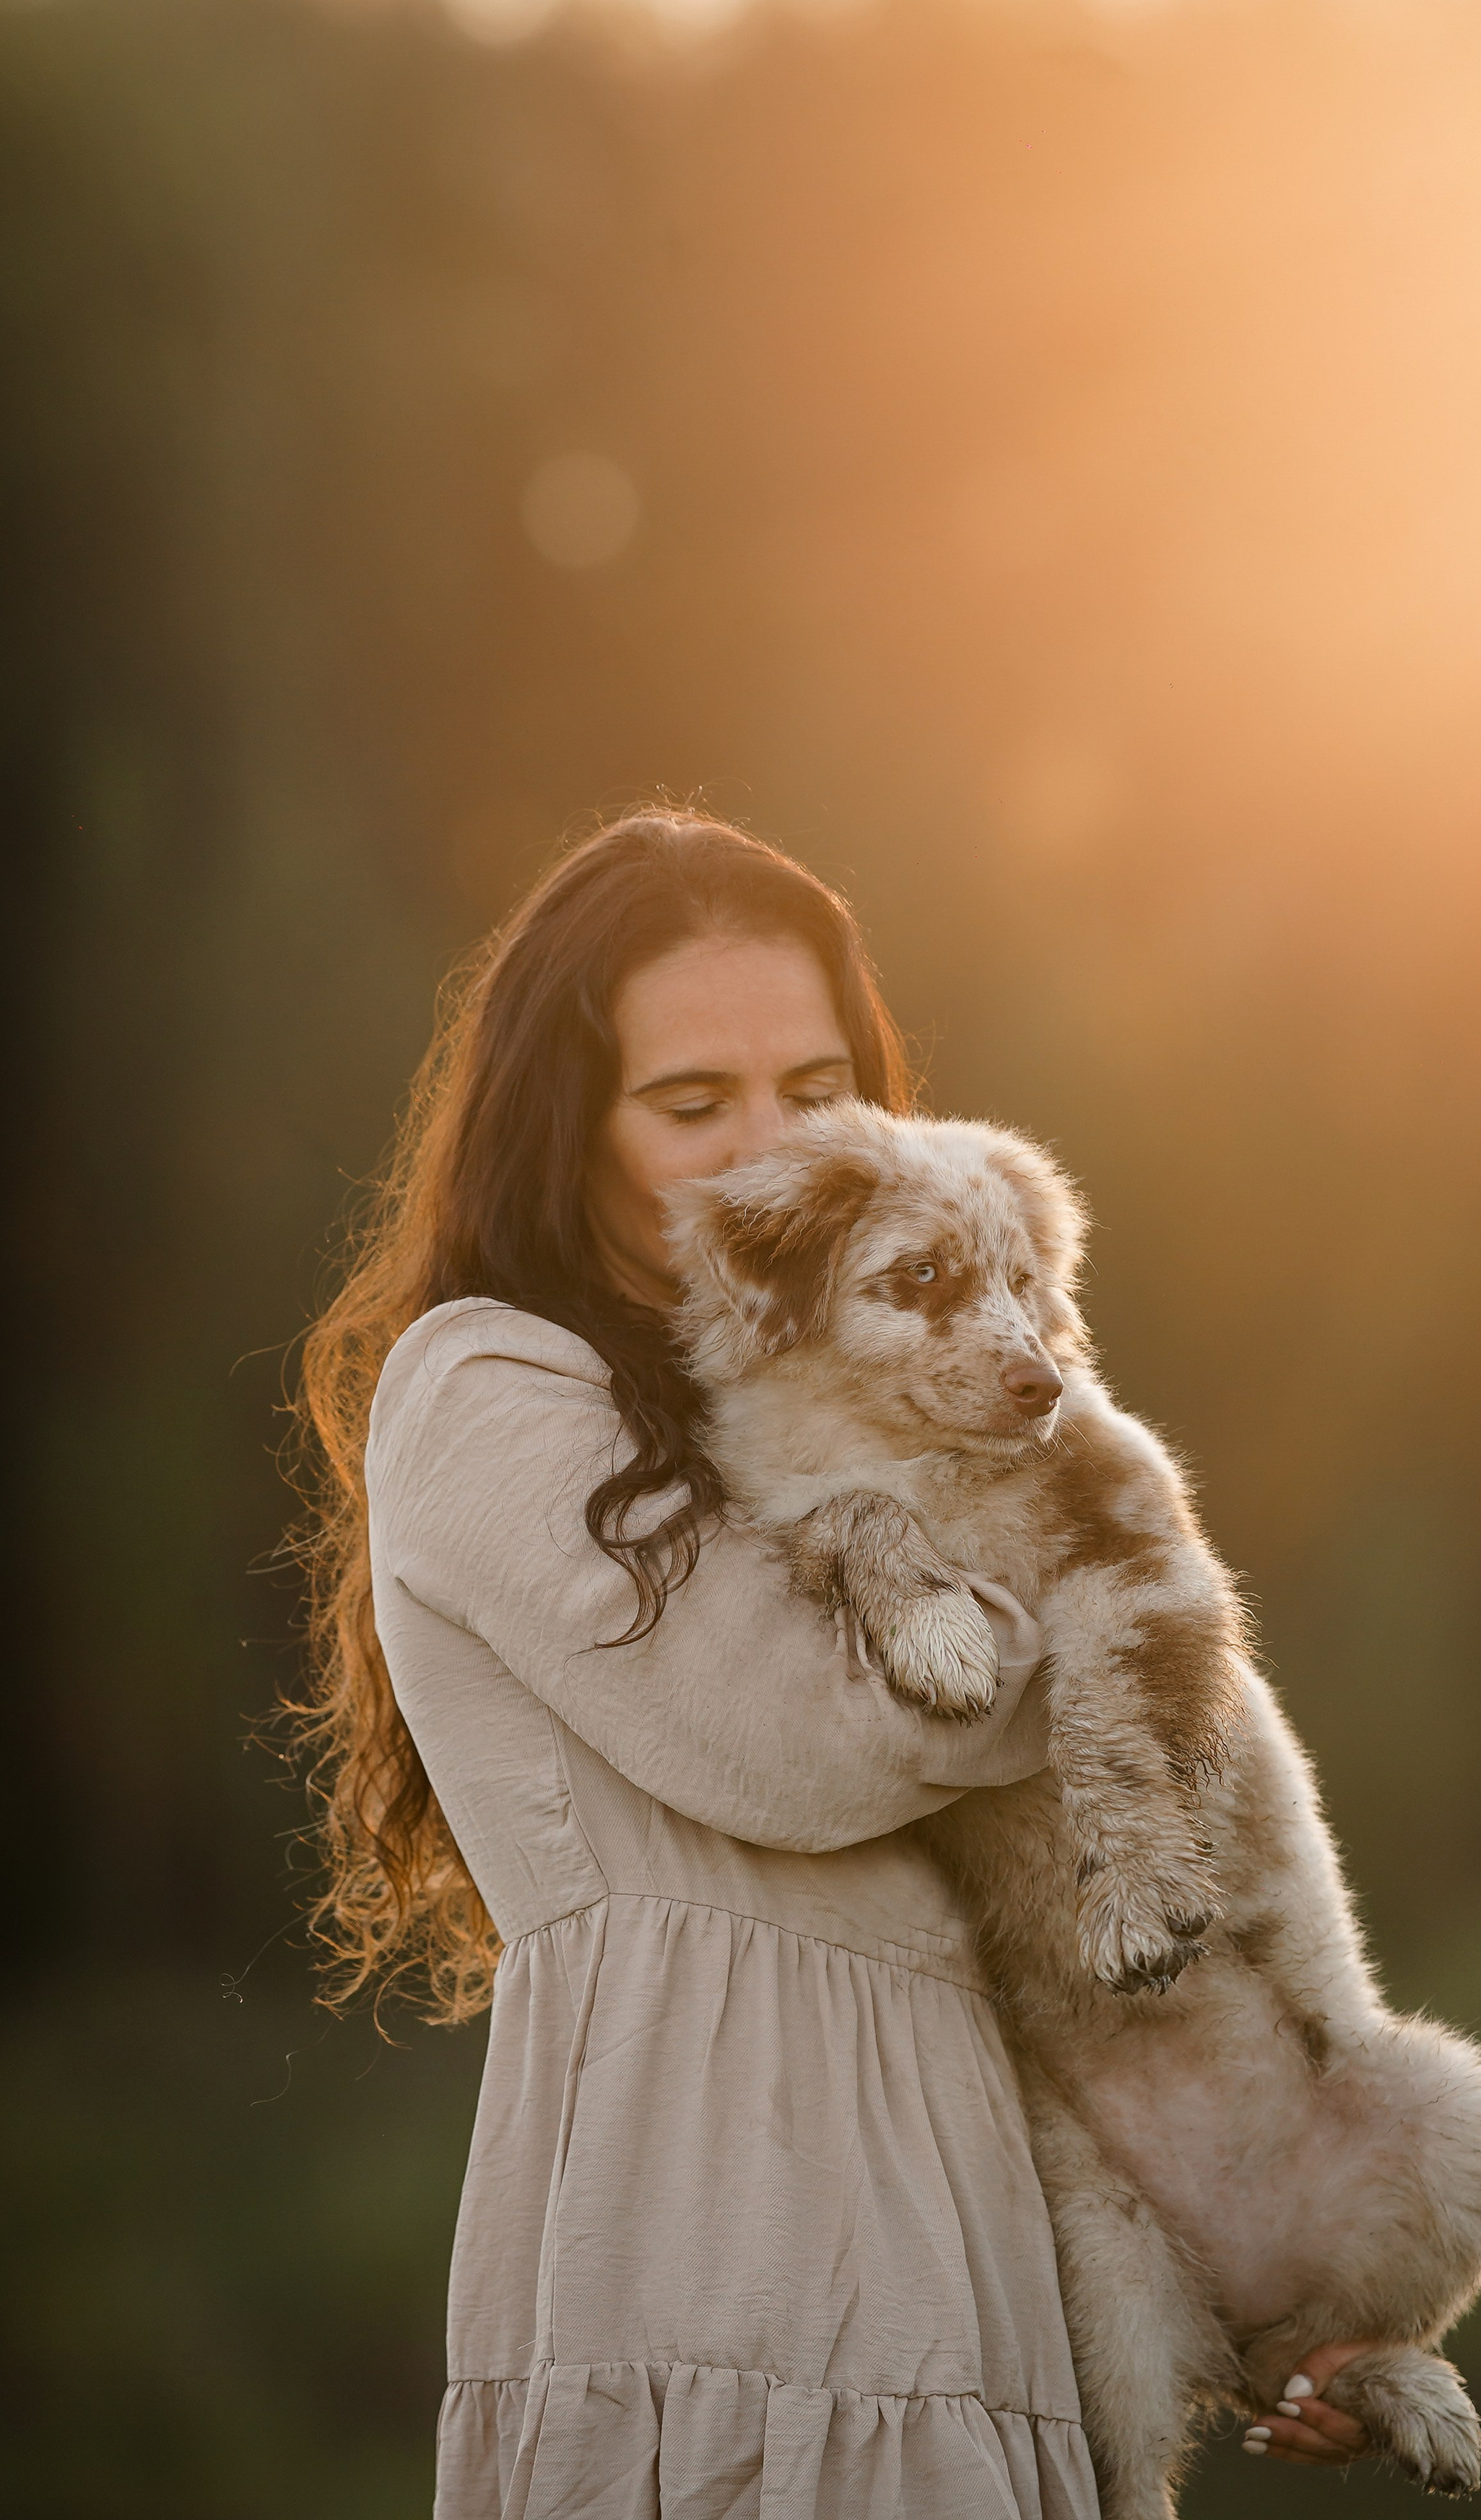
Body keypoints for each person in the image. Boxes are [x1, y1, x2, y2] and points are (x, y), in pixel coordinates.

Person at [290, 809, 1373, 2519]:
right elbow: (810, 1740)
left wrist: (1279, 2294)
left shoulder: (851, 1405)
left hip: (983, 2260)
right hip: (723, 2257)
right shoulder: (481, 1384)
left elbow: (1036, 1925)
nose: (767, 1154)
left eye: (811, 1090)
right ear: (563, 1131)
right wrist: (1100, 1592)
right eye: (689, 1104)